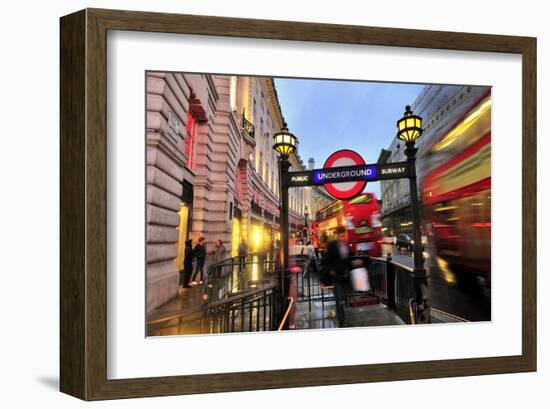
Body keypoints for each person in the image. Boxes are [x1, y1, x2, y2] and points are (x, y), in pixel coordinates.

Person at [324, 226, 350, 327]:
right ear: (338, 235)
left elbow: (347, 259)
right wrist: (331, 270)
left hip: (345, 276)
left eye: (344, 235)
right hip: (336, 276)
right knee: (339, 298)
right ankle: (341, 320)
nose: (343, 237)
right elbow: (327, 259)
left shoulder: (346, 244)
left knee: (343, 298)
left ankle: (343, 317)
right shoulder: (332, 245)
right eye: (341, 235)